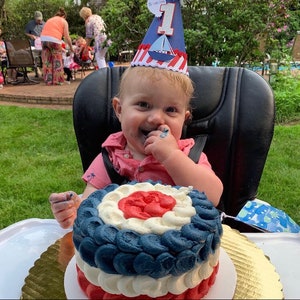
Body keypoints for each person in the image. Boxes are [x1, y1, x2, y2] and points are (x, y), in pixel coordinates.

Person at [49, 0, 223, 229]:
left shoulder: (188, 154)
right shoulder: (112, 157)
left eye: (171, 110)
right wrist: (73, 208)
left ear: (185, 118)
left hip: (178, 252)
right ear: (119, 110)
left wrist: (171, 157)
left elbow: (213, 196)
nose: (156, 118)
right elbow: (91, 203)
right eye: (143, 104)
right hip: (122, 251)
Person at [40, 7, 73, 85]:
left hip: (44, 40)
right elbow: (67, 37)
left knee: (47, 61)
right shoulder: (64, 21)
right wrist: (71, 48)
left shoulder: (50, 19)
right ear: (64, 16)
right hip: (54, 41)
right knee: (57, 60)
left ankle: (48, 81)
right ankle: (57, 81)